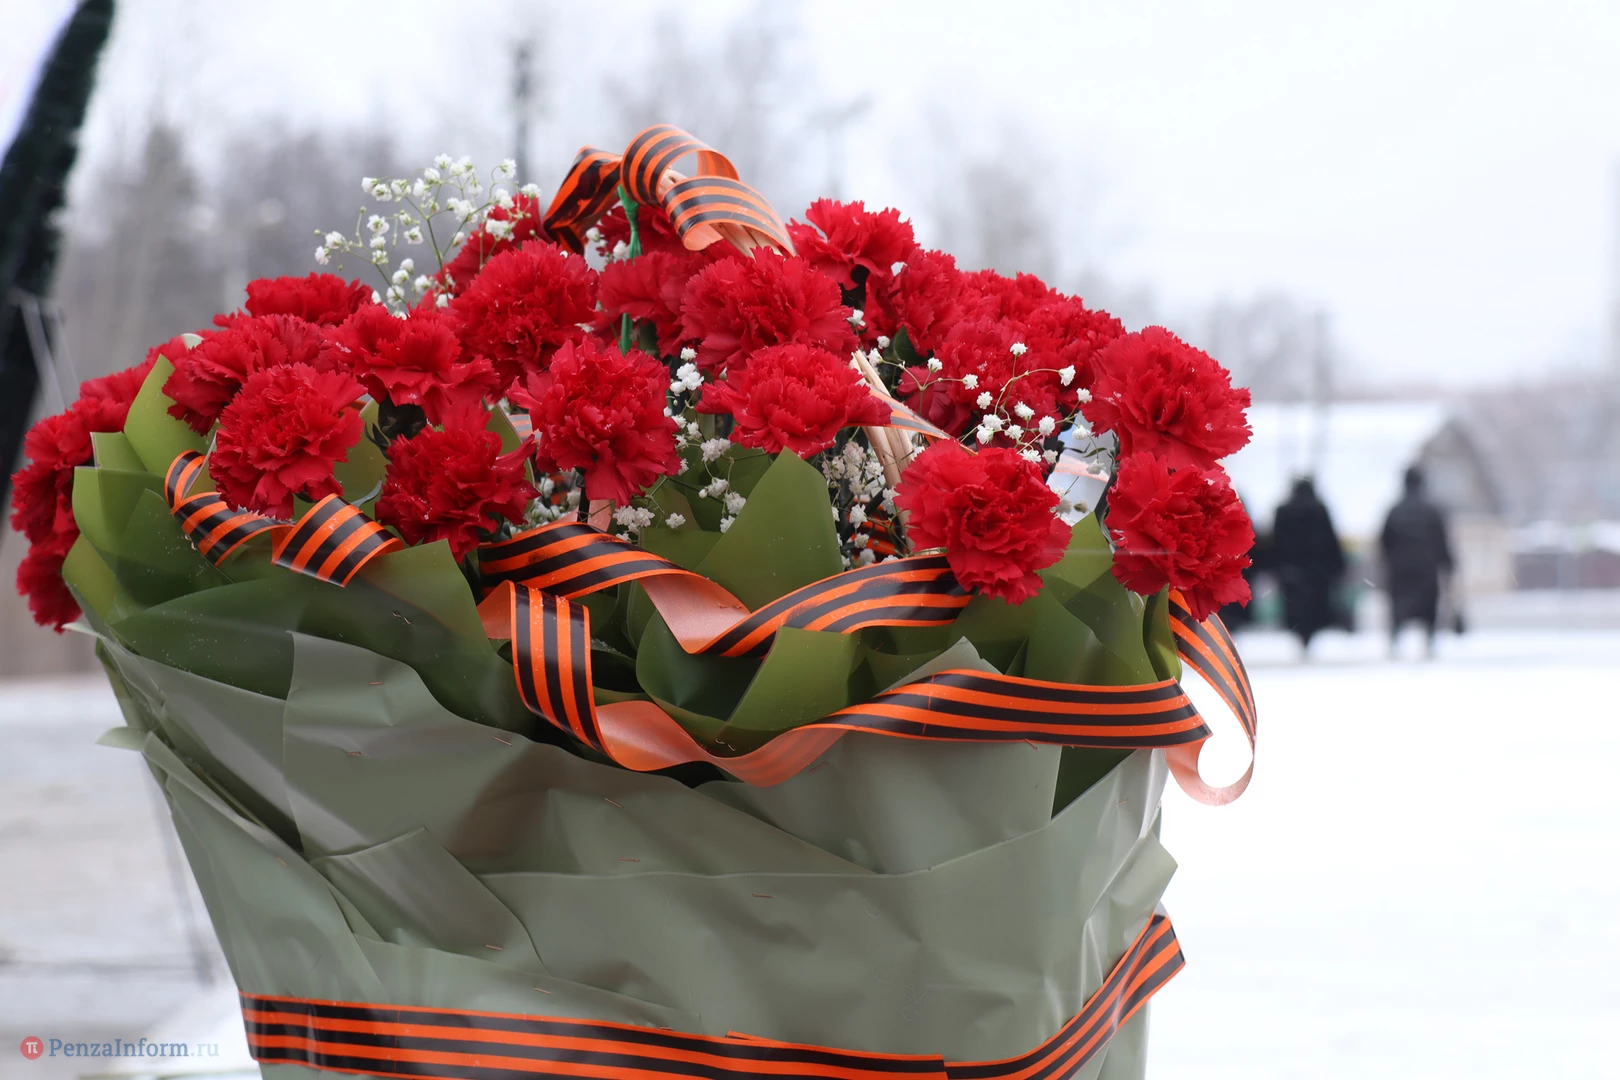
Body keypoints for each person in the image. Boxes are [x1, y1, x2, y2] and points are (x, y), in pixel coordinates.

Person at [1379, 465, 1454, 656]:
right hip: (1426, 569)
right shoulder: (1431, 511)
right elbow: (1441, 541)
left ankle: (1396, 641)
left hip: (1400, 571)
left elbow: (1384, 541)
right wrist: (1448, 564)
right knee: (1427, 608)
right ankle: (1429, 643)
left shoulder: (1395, 511)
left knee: (1399, 608)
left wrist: (1390, 561)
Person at [1270, 476, 1345, 651]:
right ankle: (1310, 639)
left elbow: (1276, 544)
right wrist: (1337, 566)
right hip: (1317, 573)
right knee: (1315, 610)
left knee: (1296, 611)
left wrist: (1276, 568)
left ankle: (1301, 639)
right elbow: (1331, 541)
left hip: (1291, 573)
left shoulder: (1283, 511)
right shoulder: (1319, 510)